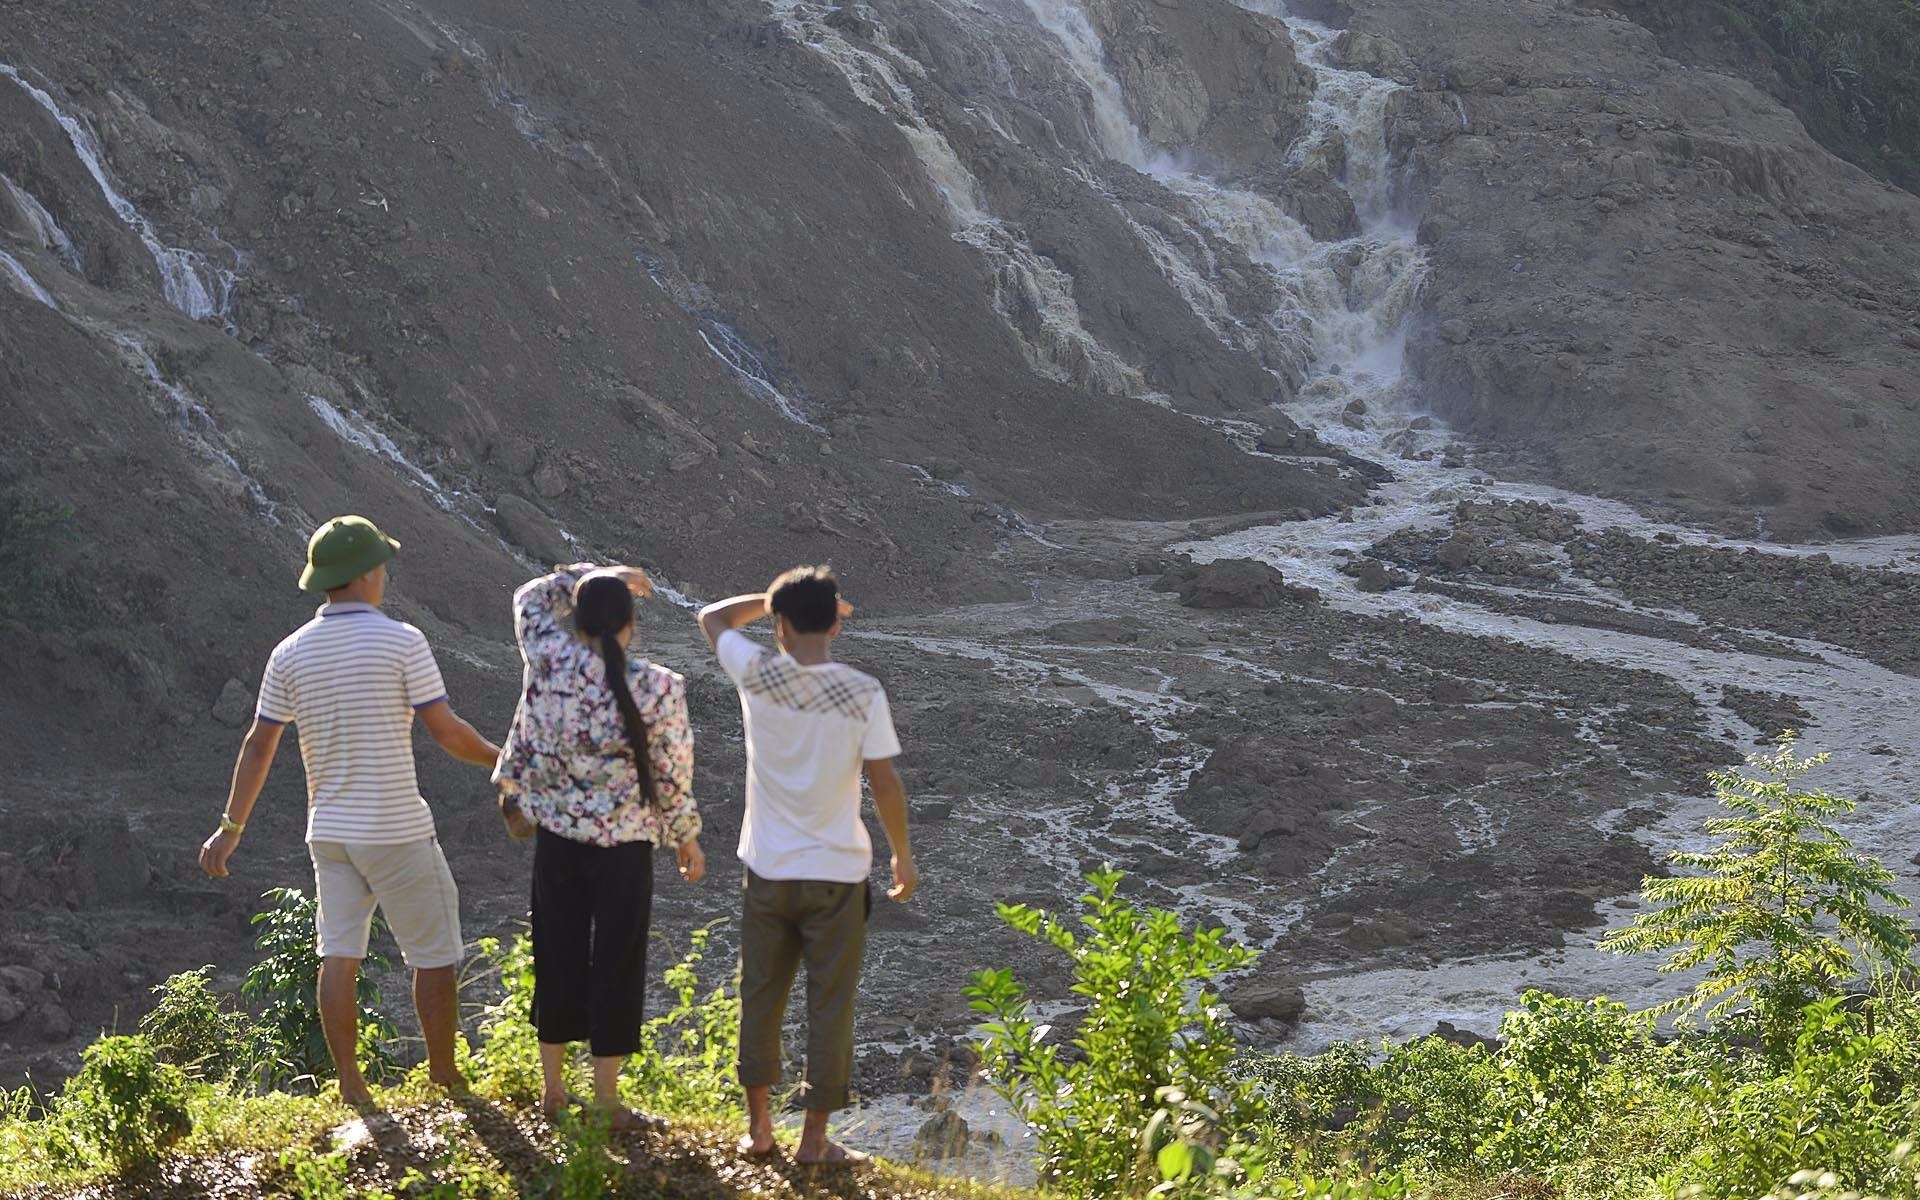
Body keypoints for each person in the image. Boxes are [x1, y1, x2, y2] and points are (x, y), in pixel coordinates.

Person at [198, 515, 500, 1105]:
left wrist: (229, 829)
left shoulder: (289, 653)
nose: (384, 575)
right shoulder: (402, 641)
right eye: (380, 567)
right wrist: (504, 762)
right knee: (434, 955)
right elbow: (446, 731)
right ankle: (445, 1077)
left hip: (329, 833)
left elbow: (259, 744)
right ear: (364, 576)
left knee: (339, 954)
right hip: (396, 829)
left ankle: (352, 1085)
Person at [698, 565, 916, 1165]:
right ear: (836, 627)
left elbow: (712, 617)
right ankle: (816, 1140)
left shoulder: (759, 673)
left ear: (782, 626)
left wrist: (768, 602)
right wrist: (901, 851)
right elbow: (886, 783)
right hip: (837, 874)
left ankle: (761, 1128)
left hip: (767, 868)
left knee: (760, 995)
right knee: (830, 1003)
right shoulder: (862, 691)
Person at [494, 563, 707, 1127]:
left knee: (556, 953)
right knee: (618, 961)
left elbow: (528, 597)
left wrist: (589, 574)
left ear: (578, 620)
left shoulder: (548, 658)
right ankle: (608, 1100)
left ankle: (554, 1091)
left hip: (558, 839)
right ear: (631, 625)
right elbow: (671, 772)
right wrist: (686, 838)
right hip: (626, 846)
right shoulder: (660, 687)